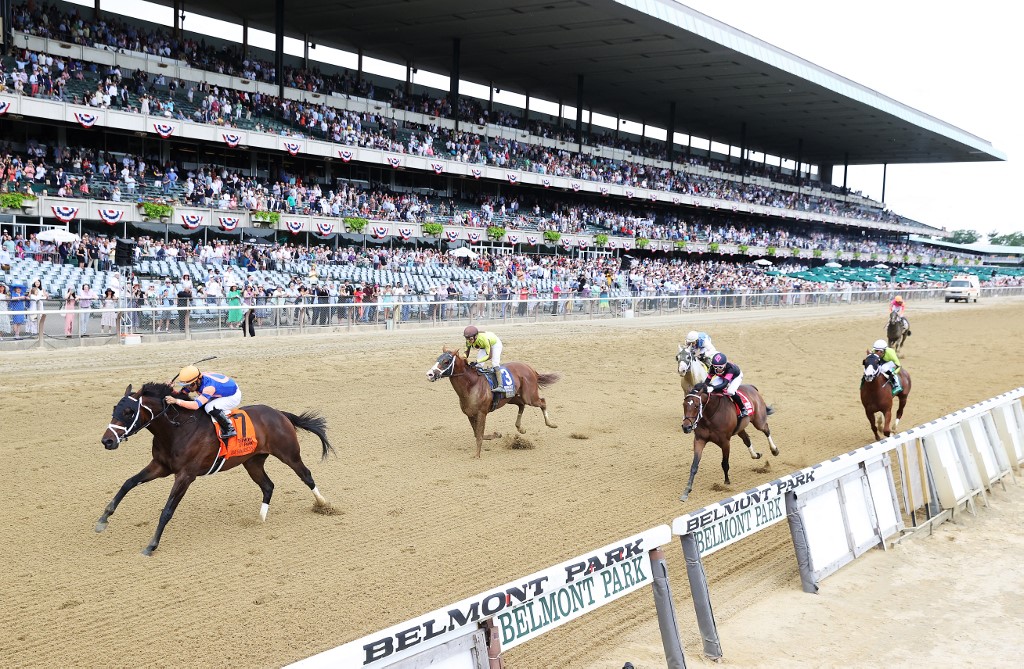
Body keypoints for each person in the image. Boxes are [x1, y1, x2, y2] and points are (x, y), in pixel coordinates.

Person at [166, 366, 241, 442]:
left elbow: (195, 405)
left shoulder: (209, 387)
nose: (188, 388)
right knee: (197, 400)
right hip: (220, 391)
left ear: (198, 381)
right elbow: (182, 394)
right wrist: (171, 389)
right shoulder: (195, 381)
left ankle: (229, 429)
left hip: (232, 396)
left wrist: (176, 401)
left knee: (209, 407)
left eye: (190, 385)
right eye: (185, 386)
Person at [704, 352, 747, 418]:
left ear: (725, 365)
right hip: (723, 376)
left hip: (735, 377)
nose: (718, 369)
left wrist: (713, 388)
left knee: (730, 391)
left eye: (720, 367)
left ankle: (743, 408)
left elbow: (724, 384)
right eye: (715, 367)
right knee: (711, 385)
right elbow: (707, 381)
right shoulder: (712, 369)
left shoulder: (730, 368)